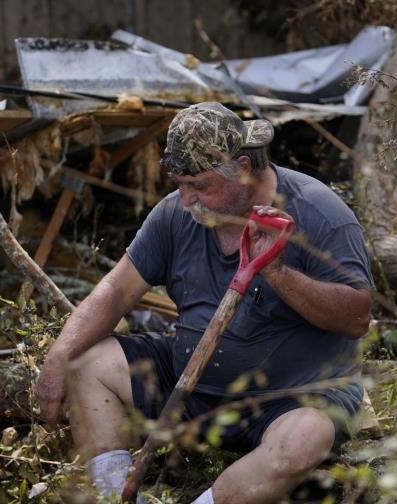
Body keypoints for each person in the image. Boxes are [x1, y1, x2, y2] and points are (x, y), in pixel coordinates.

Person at [36, 102, 374, 503]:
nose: (184, 198)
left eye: (199, 185)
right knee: (87, 363)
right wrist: (58, 358)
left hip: (290, 398)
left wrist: (279, 273)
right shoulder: (176, 216)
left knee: (304, 438)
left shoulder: (320, 214)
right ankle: (116, 495)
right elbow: (116, 290)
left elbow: (357, 317)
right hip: (192, 389)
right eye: (180, 183)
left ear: (244, 167)